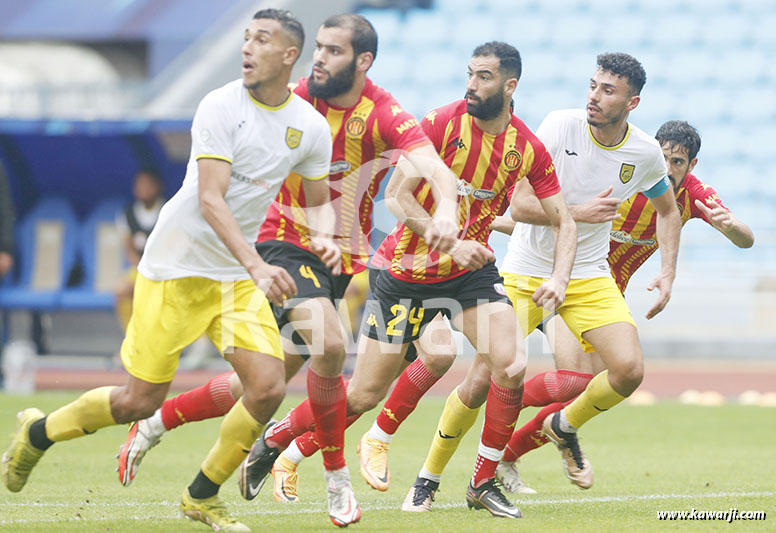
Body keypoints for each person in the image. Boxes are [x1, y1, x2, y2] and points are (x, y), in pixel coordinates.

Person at [116, 13, 459, 526]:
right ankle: (335, 479)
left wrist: (448, 212)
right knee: (332, 344)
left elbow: (433, 167)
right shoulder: (294, 97)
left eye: (334, 51)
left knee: (259, 385)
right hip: (282, 242)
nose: (319, 58)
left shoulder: (384, 113)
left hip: (338, 258)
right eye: (317, 47)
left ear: (363, 61)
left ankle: (159, 428)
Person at [1, 9, 337, 532]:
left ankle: (201, 496)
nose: (248, 47)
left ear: (289, 55)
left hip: (232, 277)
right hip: (175, 268)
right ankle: (38, 434)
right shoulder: (221, 105)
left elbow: (318, 202)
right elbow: (210, 199)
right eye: (246, 37)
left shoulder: (311, 127)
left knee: (268, 385)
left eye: (262, 39)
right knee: (139, 401)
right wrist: (257, 264)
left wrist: (322, 237)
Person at [238, 41, 576, 520]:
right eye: (470, 74)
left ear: (509, 85)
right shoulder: (439, 124)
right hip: (405, 272)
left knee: (513, 362)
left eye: (483, 77)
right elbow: (396, 198)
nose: (472, 85)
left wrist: (560, 278)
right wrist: (451, 241)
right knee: (362, 393)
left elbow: (564, 220)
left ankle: (482, 480)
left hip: (469, 275)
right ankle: (277, 438)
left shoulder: (526, 148)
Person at [399, 52, 683, 514]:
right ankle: (426, 480)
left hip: (588, 273)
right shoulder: (558, 126)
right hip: (526, 268)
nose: (594, 96)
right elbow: (518, 205)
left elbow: (668, 210)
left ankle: (563, 427)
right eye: (593, 85)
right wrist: (577, 213)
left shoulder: (645, 153)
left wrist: (667, 272)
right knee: (482, 378)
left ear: (632, 102)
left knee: (629, 370)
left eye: (608, 90)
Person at [495, 119, 755, 494]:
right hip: (563, 283)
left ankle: (515, 448)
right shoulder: (627, 179)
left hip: (602, 300)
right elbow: (556, 217)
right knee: (575, 380)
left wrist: (730, 226)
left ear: (691, 166)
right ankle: (506, 417)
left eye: (678, 162)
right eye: (663, 157)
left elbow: (746, 240)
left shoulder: (691, 196)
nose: (667, 168)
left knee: (598, 386)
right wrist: (490, 223)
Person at [114, 169, 165, 332]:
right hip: (141, 268)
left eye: (147, 185)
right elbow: (130, 251)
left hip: (165, 269)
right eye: (139, 185)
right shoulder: (126, 214)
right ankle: (130, 338)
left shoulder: (168, 211)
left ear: (156, 187)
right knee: (121, 290)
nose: (142, 189)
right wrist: (143, 270)